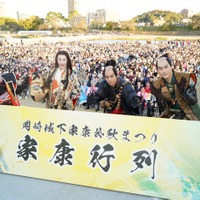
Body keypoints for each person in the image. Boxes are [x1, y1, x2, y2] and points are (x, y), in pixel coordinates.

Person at [150, 53, 200, 121]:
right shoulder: (156, 85)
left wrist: (185, 94)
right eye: (160, 68)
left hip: (190, 117)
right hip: (170, 118)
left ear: (171, 66)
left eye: (166, 67)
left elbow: (195, 102)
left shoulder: (186, 78)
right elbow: (161, 108)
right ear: (158, 70)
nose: (164, 71)